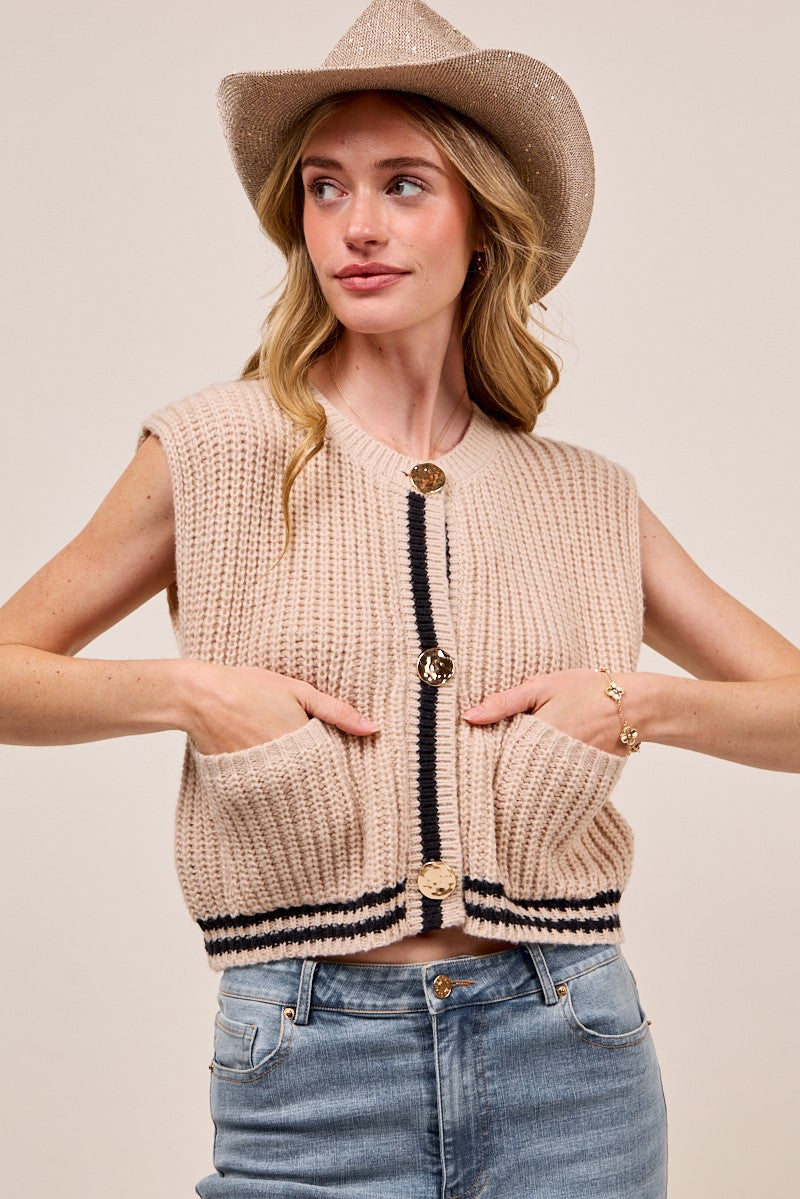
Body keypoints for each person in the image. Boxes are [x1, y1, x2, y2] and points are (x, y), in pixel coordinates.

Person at [1, 1, 798, 1196]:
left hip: (570, 1047)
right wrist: (194, 693)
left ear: (485, 221)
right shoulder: (214, 448)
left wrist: (630, 703)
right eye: (324, 187)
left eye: (403, 184)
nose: (355, 226)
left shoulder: (582, 494)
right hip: (307, 1054)